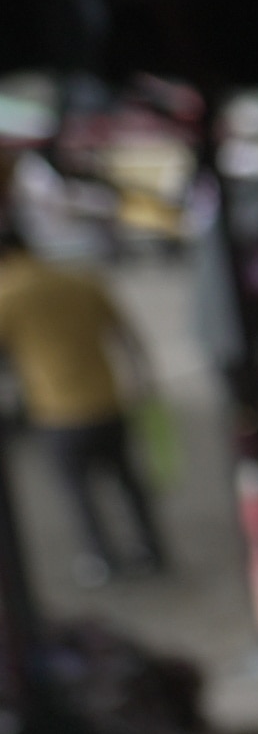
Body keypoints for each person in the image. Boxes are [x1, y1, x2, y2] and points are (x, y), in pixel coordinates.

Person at [0, 201, 164, 583]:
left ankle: (102, 559)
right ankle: (152, 550)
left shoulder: (8, 295)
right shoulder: (80, 279)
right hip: (107, 398)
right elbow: (125, 333)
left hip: (57, 409)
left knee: (78, 493)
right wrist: (143, 380)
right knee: (128, 482)